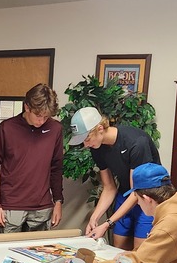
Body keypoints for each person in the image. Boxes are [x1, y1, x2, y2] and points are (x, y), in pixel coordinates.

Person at [68, 105, 161, 250]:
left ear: (100, 128)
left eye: (87, 138)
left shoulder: (136, 143)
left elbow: (136, 192)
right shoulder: (96, 148)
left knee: (140, 257)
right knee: (118, 252)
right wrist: (95, 217)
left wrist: (108, 223)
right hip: (125, 194)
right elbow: (109, 187)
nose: (85, 145)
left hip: (147, 198)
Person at [0, 83, 64, 233]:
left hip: (42, 208)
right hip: (10, 207)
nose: (41, 121)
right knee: (6, 254)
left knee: (39, 254)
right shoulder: (7, 128)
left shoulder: (55, 129)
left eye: (46, 117)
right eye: (38, 116)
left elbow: (57, 167)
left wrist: (58, 201)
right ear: (27, 107)